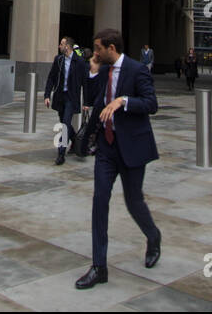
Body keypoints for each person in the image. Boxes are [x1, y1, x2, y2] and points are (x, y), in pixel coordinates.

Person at [75, 28, 162, 289]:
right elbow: (97, 103)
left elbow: (151, 104)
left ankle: (153, 237)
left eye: (99, 49)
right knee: (99, 201)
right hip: (107, 149)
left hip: (132, 148)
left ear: (111, 48)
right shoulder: (102, 71)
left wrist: (124, 100)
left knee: (134, 202)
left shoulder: (137, 70)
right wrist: (82, 140)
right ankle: (99, 266)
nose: (96, 53)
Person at [44, 36, 85, 164]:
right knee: (64, 123)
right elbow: (51, 77)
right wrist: (47, 95)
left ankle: (61, 153)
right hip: (60, 96)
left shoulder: (79, 62)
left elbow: (85, 82)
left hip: (71, 98)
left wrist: (88, 102)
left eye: (61, 44)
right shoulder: (59, 60)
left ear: (67, 46)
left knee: (66, 124)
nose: (59, 46)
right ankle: (76, 143)